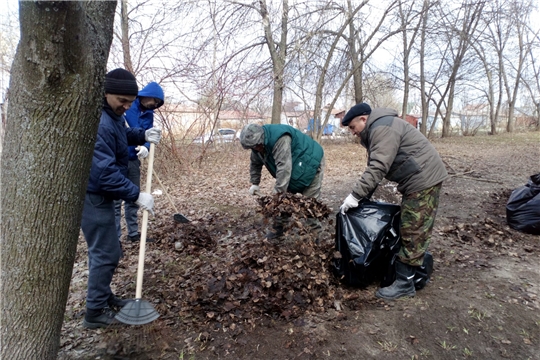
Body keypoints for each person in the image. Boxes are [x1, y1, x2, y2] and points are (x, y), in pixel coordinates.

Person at [339, 103, 448, 300]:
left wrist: (355, 196)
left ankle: (405, 283)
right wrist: (363, 199)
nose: (353, 133)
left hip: (423, 179)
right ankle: (414, 272)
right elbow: (376, 168)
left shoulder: (382, 128)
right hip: (419, 178)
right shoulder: (380, 127)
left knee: (412, 229)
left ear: (364, 119)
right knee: (413, 226)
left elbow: (378, 167)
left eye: (353, 127)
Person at [81, 68, 162, 329]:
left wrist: (142, 135)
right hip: (94, 197)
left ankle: (104, 297)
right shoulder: (99, 122)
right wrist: (136, 195)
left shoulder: (111, 115)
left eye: (130, 101)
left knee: (108, 251)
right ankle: (94, 311)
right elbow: (103, 173)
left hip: (101, 193)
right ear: (106, 94)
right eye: (122, 101)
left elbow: (122, 135)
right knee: (105, 253)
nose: (127, 107)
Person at [239, 123, 325, 240]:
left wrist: (277, 195)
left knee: (308, 204)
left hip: (311, 162)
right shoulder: (257, 146)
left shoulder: (280, 139)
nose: (256, 149)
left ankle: (315, 237)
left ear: (261, 138)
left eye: (257, 146)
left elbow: (284, 168)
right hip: (294, 167)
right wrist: (255, 183)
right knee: (282, 202)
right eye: (253, 147)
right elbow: (255, 163)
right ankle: (278, 230)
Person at [115, 82, 164, 243]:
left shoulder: (149, 114)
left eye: (157, 103)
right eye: (154, 100)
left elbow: (147, 134)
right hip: (117, 159)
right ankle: (115, 239)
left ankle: (133, 234)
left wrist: (146, 147)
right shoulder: (128, 107)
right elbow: (120, 131)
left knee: (133, 197)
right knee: (115, 201)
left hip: (134, 160)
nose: (155, 105)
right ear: (146, 95)